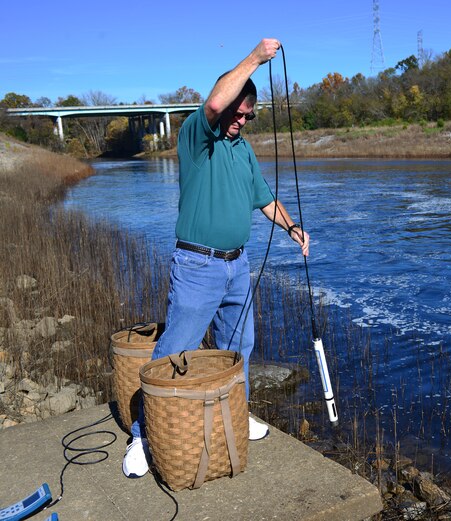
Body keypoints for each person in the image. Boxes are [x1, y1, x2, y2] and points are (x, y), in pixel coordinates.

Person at [123, 38, 309, 478]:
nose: (240, 120)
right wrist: (255, 59)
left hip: (237, 266)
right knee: (176, 351)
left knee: (236, 349)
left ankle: (233, 416)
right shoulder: (196, 137)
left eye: (248, 115)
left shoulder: (243, 150)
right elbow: (214, 102)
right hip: (197, 266)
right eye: (236, 112)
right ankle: (142, 434)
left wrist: (293, 227)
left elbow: (265, 199)